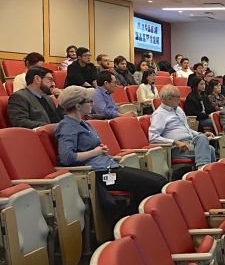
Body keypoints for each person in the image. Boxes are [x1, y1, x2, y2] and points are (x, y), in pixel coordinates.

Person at [55, 86, 166, 218]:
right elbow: (67, 157)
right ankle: (127, 218)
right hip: (98, 173)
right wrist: (95, 151)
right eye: (89, 101)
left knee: (158, 181)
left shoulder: (83, 123)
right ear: (78, 106)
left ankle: (129, 217)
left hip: (109, 166)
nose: (92, 103)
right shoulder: (67, 126)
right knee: (157, 183)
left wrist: (99, 149)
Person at [148, 85, 216, 169]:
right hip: (177, 148)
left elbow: (187, 129)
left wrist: (201, 134)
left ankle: (205, 171)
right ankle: (203, 171)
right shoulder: (159, 114)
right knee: (209, 149)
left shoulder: (178, 110)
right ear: (169, 98)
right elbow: (153, 137)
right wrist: (175, 142)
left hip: (190, 143)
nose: (179, 99)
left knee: (207, 145)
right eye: (178, 97)